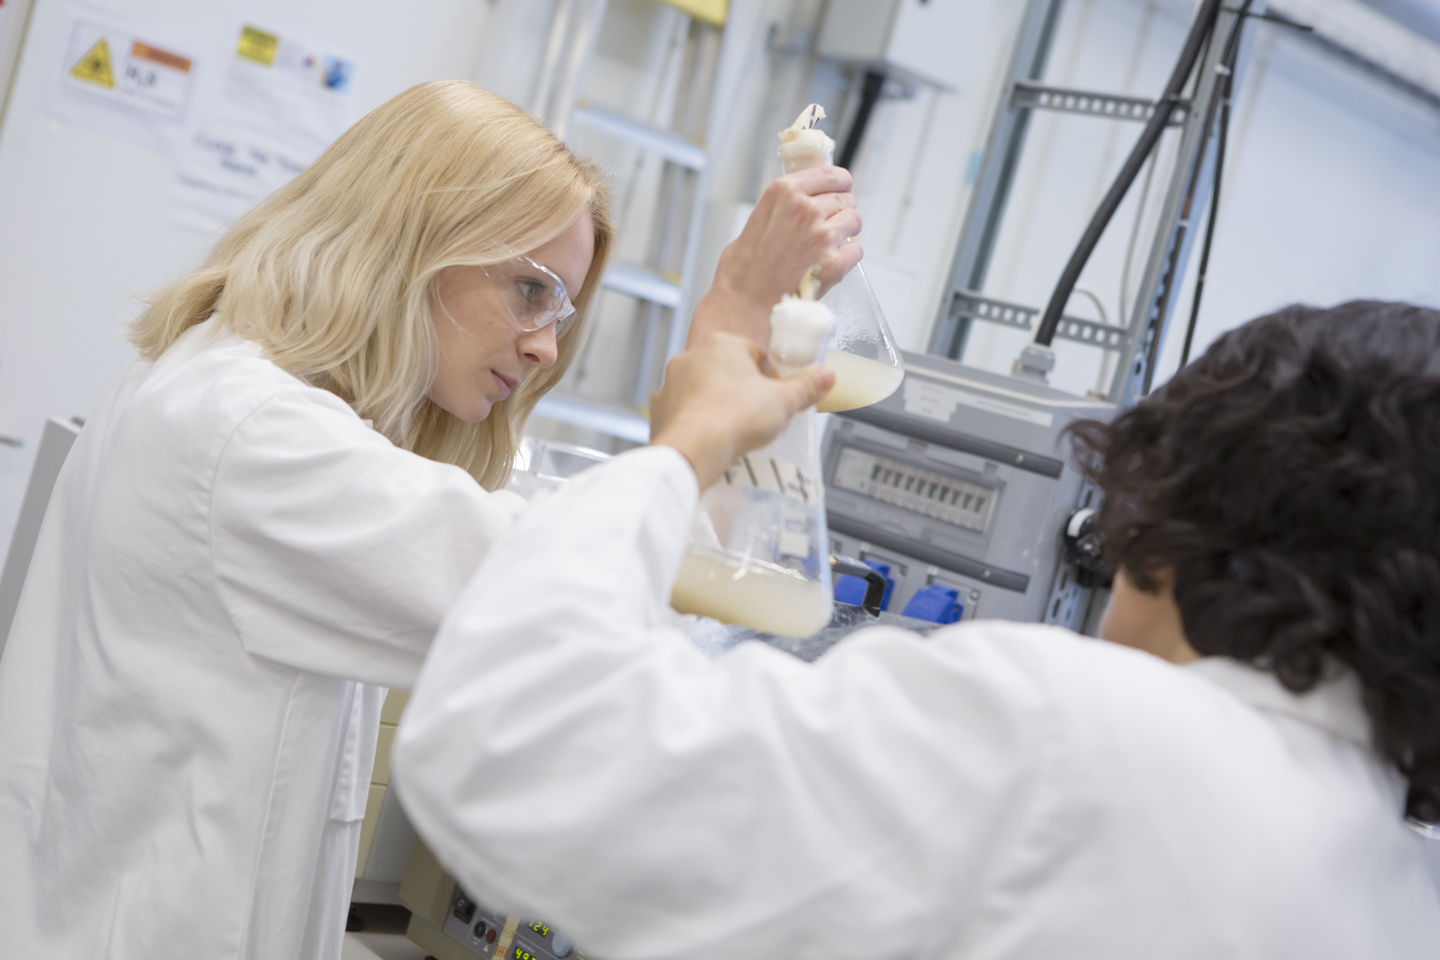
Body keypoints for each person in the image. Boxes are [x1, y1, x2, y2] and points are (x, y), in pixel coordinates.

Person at [0, 80, 862, 959]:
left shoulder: (220, 386)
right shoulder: (253, 437)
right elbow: (573, 602)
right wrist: (729, 329)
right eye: (530, 292)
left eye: (560, 312)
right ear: (411, 242)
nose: (545, 348)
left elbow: (549, 557)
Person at [394, 301, 1440, 959]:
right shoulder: (1401, 897)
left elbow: (512, 747)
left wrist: (685, 448)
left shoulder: (1073, 733)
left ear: (1184, 516)